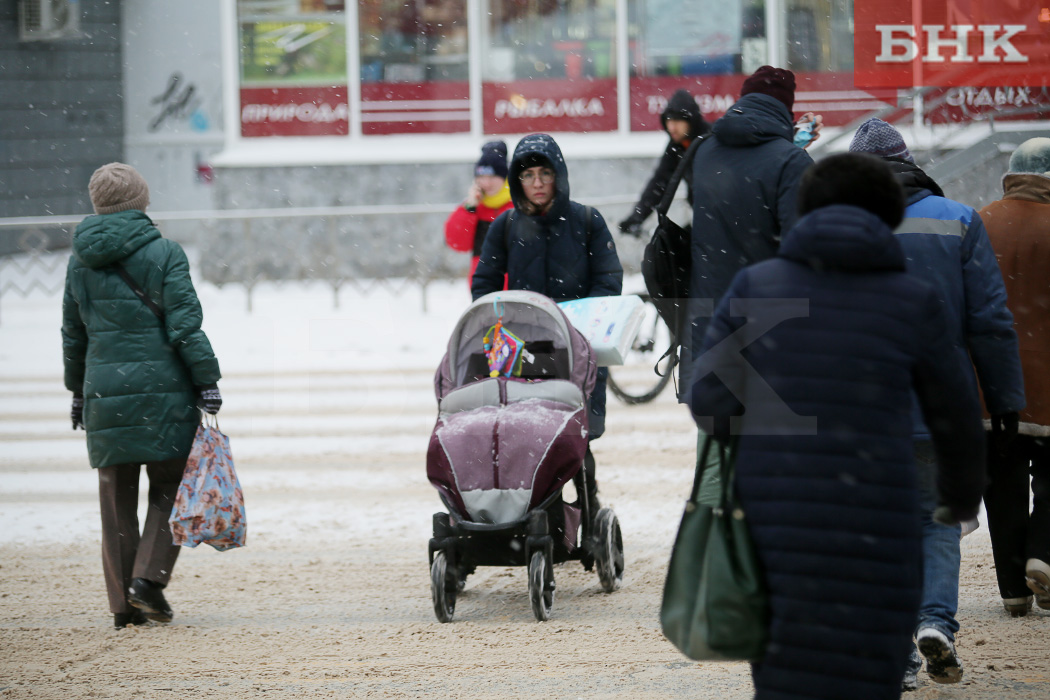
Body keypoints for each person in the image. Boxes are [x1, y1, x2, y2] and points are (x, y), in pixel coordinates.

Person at [690, 153, 987, 700]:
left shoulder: (756, 284)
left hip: (777, 513)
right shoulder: (910, 299)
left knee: (784, 668)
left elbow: (709, 398)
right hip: (878, 513)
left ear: (805, 211)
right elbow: (957, 414)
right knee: (871, 668)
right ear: (886, 216)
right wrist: (960, 498)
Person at [848, 118, 1025, 689]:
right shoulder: (957, 222)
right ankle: (935, 622)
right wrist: (1004, 402)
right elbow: (991, 323)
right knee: (938, 519)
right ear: (909, 161)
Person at [61, 162, 223, 629]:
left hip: (103, 392)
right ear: (142, 202)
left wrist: (77, 391)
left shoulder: (79, 260)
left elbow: (74, 333)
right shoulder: (164, 252)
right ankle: (148, 579)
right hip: (163, 391)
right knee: (171, 484)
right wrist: (207, 379)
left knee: (115, 496)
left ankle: (122, 607)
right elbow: (184, 325)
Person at [472, 133, 623, 513]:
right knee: (524, 434)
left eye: (545, 173)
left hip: (576, 351)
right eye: (528, 175)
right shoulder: (505, 227)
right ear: (516, 180)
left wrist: (575, 321)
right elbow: (485, 286)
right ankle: (532, 512)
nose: (537, 183)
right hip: (523, 350)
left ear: (559, 175)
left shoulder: (586, 222)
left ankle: (587, 505)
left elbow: (608, 281)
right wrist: (497, 325)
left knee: (574, 438)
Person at [685, 66, 817, 396]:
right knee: (772, 440)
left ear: (742, 100)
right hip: (768, 327)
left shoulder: (703, 151)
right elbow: (800, 251)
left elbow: (739, 196)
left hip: (711, 321)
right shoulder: (790, 163)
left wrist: (788, 149)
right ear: (787, 110)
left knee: (716, 430)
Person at [978, 136, 1050, 618]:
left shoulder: (978, 222)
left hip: (992, 383)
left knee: (1001, 485)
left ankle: (1013, 590)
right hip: (1048, 383)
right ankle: (1043, 551)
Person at [617, 89, 710, 236]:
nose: (672, 127)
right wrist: (637, 217)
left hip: (720, 219)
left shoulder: (709, 140)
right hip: (702, 218)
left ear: (690, 121)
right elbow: (659, 183)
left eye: (678, 121)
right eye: (668, 121)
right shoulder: (676, 146)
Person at [444, 140, 513, 287]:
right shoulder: (473, 207)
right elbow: (457, 244)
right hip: (483, 288)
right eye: (481, 177)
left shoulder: (519, 205)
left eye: (492, 177)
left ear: (505, 177)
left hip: (517, 289)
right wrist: (469, 208)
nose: (486, 183)